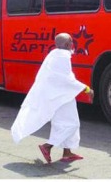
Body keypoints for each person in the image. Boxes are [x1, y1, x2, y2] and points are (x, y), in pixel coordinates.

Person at [10, 33, 95, 164]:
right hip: (59, 96)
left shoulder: (54, 54)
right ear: (68, 44)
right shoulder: (62, 57)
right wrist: (86, 89)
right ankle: (47, 146)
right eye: (71, 42)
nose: (73, 45)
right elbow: (66, 79)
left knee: (62, 123)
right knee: (72, 124)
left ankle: (67, 153)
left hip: (59, 95)